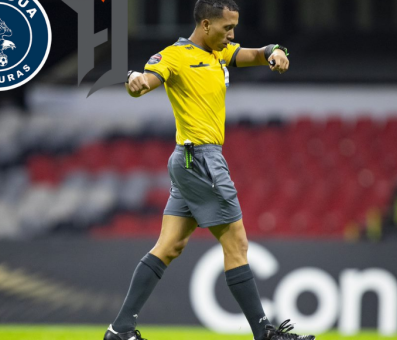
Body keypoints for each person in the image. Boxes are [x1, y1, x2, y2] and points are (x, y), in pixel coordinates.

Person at [104, 1, 316, 340]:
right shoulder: (173, 56)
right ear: (205, 25)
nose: (231, 35)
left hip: (190, 160)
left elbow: (257, 53)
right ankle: (265, 334)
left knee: (169, 246)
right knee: (237, 243)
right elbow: (144, 82)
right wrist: (133, 80)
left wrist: (276, 51)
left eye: (234, 28)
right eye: (226, 28)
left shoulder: (219, 52)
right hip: (200, 160)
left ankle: (120, 329)